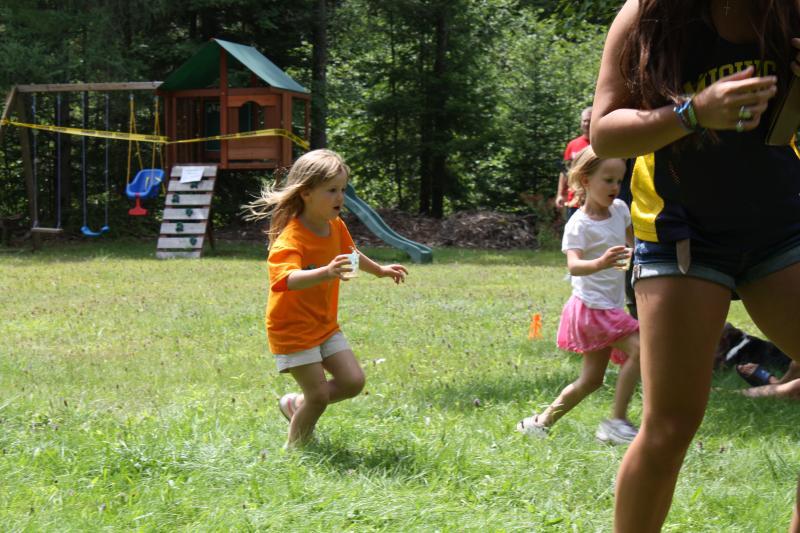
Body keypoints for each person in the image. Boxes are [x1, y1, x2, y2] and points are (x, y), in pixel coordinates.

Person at [591, 1, 800, 531]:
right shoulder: (647, 14)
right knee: (671, 424)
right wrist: (693, 113)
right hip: (681, 234)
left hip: (780, 224)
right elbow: (605, 134)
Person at [244, 149, 408, 448]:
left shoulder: (336, 226)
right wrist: (326, 272)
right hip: (293, 330)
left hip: (324, 324)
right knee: (318, 397)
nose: (340, 197)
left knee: (352, 382)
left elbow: (351, 254)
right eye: (331, 190)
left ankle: (295, 405)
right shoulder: (291, 238)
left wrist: (380, 271)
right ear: (306, 193)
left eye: (342, 190)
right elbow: (285, 280)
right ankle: (295, 452)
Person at [517, 146, 641, 444]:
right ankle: (617, 422)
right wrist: (601, 262)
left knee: (591, 380)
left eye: (619, 180)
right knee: (643, 350)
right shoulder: (579, 224)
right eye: (608, 180)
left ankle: (539, 423)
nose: (615, 187)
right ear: (586, 180)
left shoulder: (620, 210)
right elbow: (573, 265)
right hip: (592, 309)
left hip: (609, 306)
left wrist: (637, 254)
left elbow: (633, 243)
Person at [555, 106, 593, 220]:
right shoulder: (572, 145)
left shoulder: (601, 143)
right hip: (574, 201)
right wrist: (560, 194)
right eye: (584, 121)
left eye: (590, 121)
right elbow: (565, 172)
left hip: (595, 201)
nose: (586, 124)